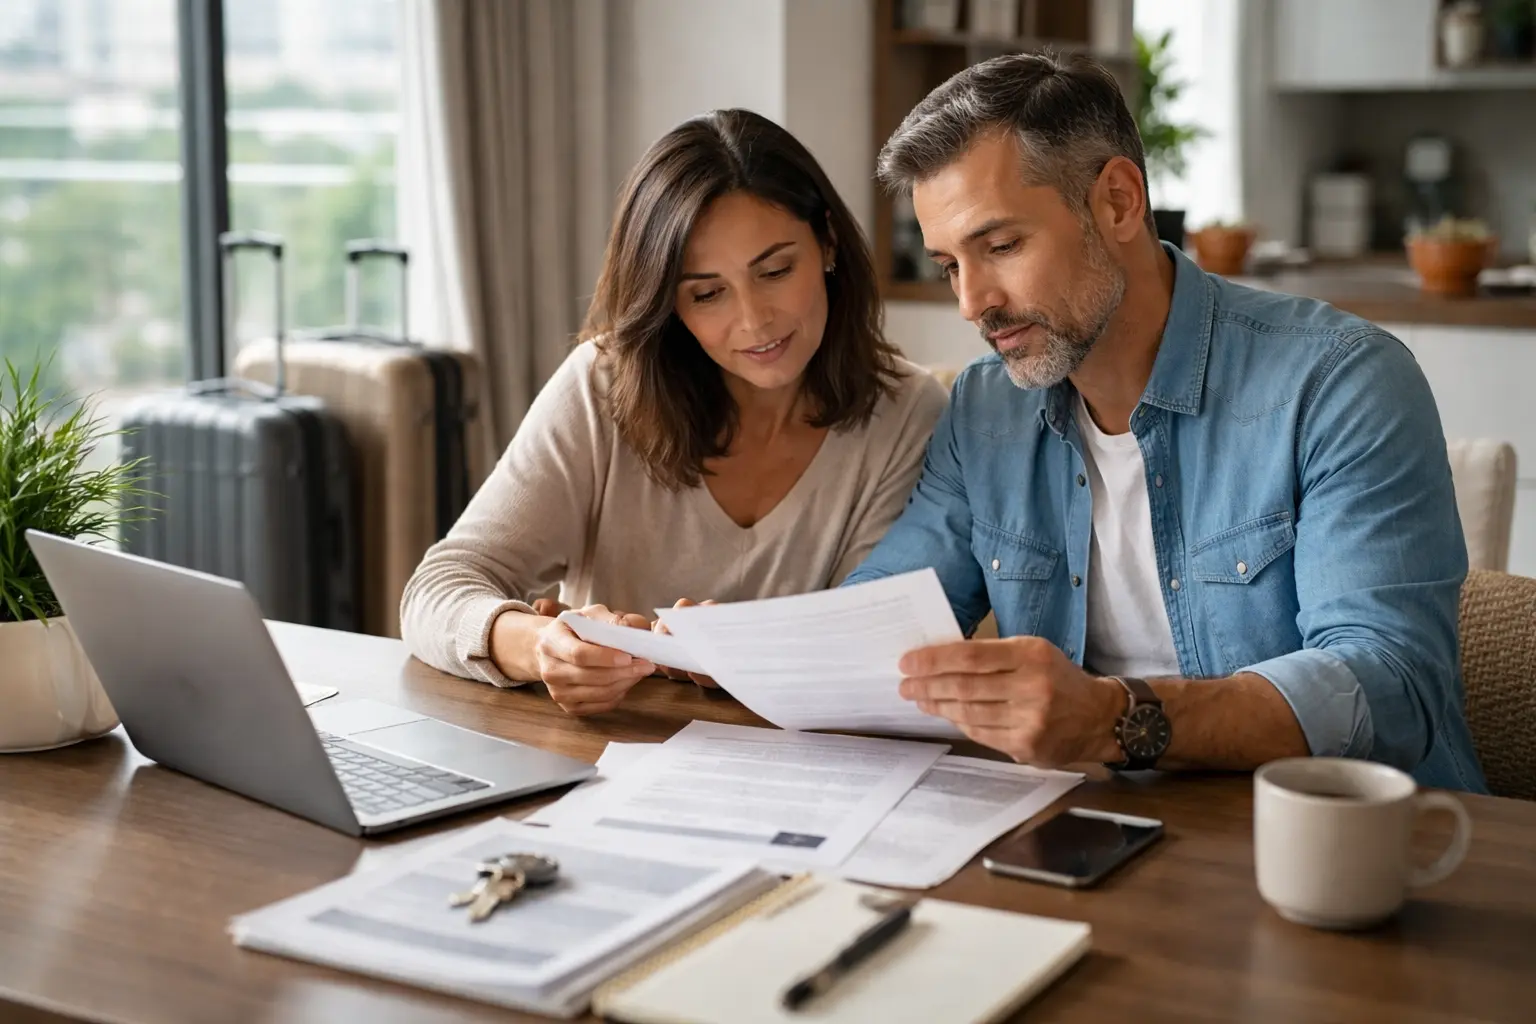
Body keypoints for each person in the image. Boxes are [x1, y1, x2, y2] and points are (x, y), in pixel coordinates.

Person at [846, 51, 1486, 792]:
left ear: (1118, 201)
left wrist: (1113, 719)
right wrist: (716, 650)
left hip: (1353, 845)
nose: (971, 302)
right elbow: (879, 619)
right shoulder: (988, 408)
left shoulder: (1339, 381)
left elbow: (1388, 685)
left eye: (1000, 246)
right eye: (949, 264)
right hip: (1107, 837)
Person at [400, 109, 947, 717]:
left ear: (828, 243)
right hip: (603, 767)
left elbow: (866, 645)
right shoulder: (602, 386)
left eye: (774, 270)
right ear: (669, 304)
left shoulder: (907, 412)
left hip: (810, 781)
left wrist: (739, 652)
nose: (754, 320)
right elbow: (436, 590)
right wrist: (538, 646)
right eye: (707, 293)